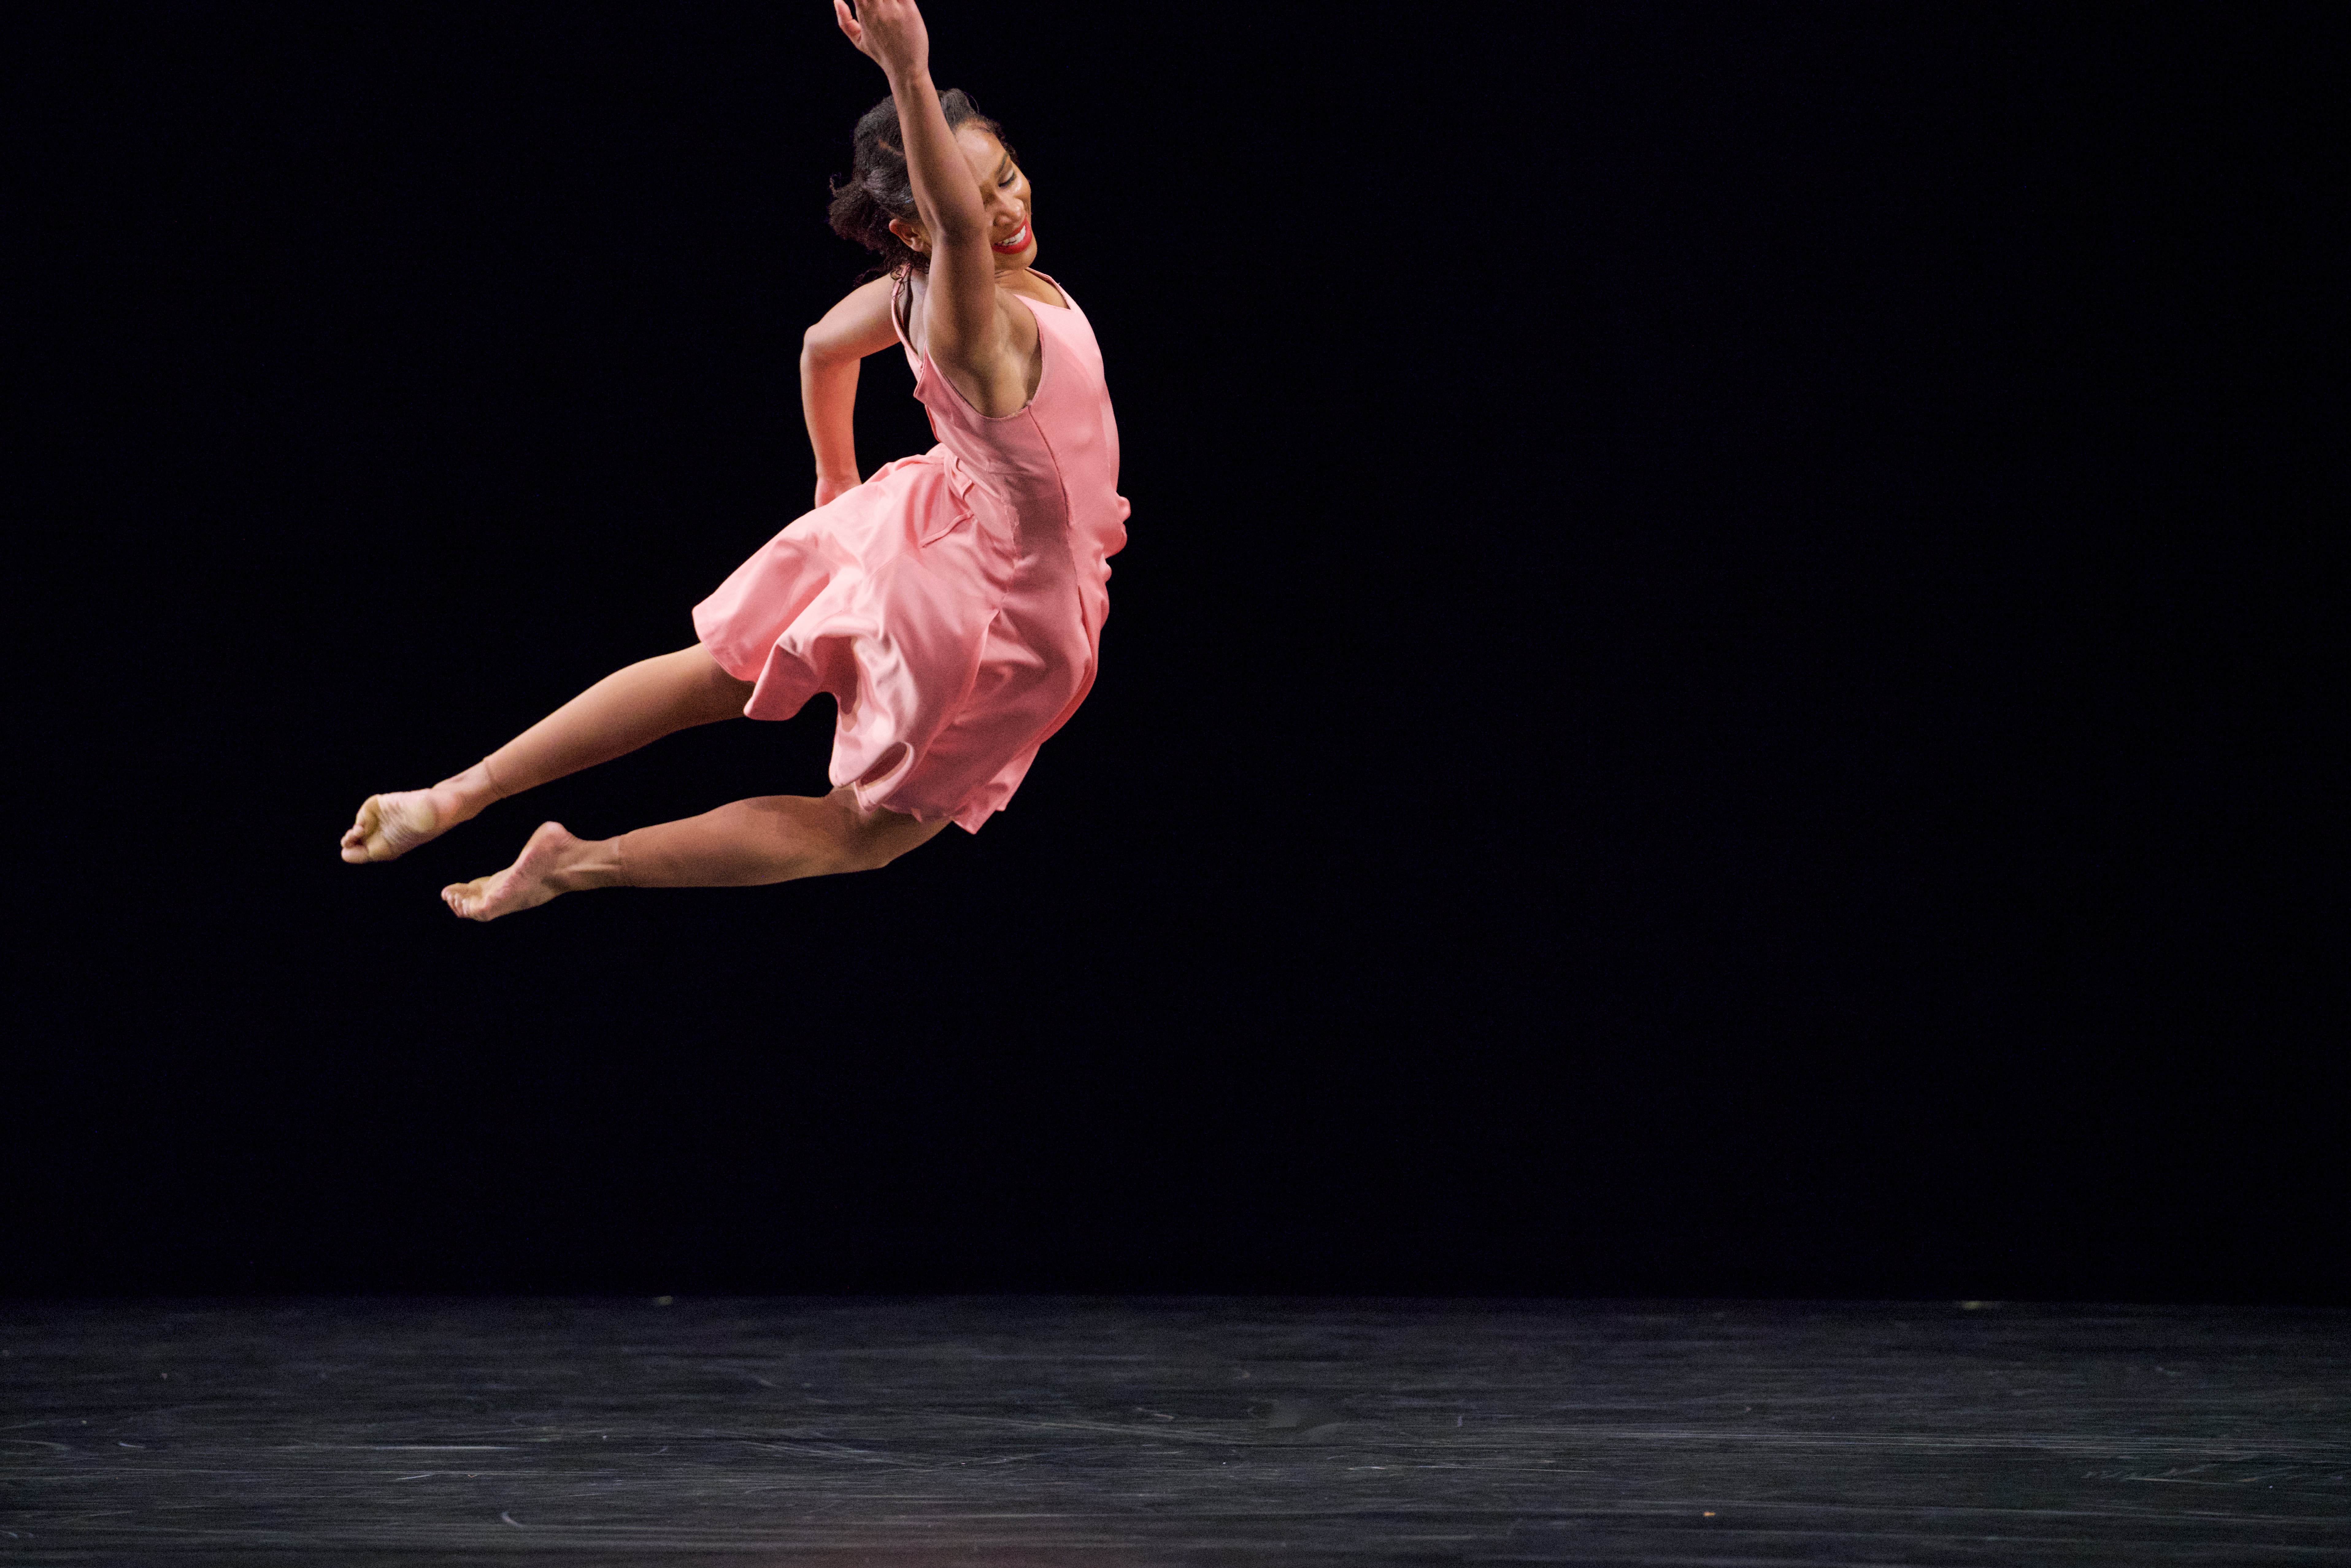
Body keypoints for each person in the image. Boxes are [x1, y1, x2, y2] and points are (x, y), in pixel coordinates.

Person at [338, 0, 1128, 921]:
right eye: (975, 193)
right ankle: (575, 865)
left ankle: (453, 794)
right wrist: (907, 71)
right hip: (1003, 604)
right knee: (860, 830)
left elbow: (821, 348)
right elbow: (956, 232)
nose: (1007, 206)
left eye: (1008, 176)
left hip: (918, 526)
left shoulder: (911, 294)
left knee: (715, 671)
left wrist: (838, 492)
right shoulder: (973, 321)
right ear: (918, 229)